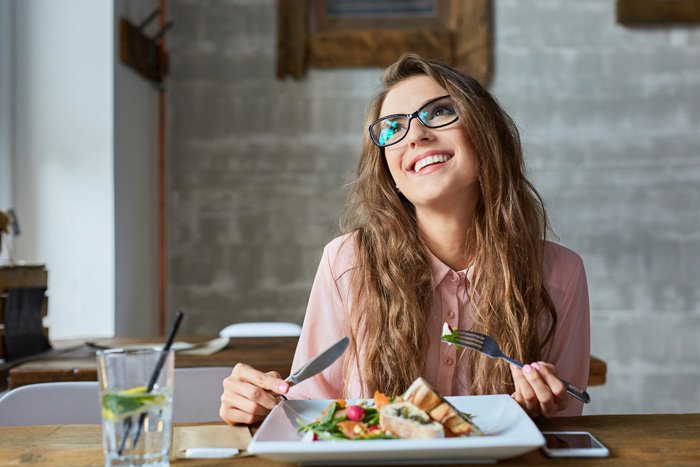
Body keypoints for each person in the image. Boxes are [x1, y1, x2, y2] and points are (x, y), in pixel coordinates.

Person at [219, 53, 590, 425]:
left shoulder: (561, 273)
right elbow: (310, 411)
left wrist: (541, 410)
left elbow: (568, 417)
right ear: (389, 171)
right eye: (392, 128)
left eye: (440, 112)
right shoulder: (347, 262)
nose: (416, 135)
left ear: (485, 134)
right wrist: (258, 405)